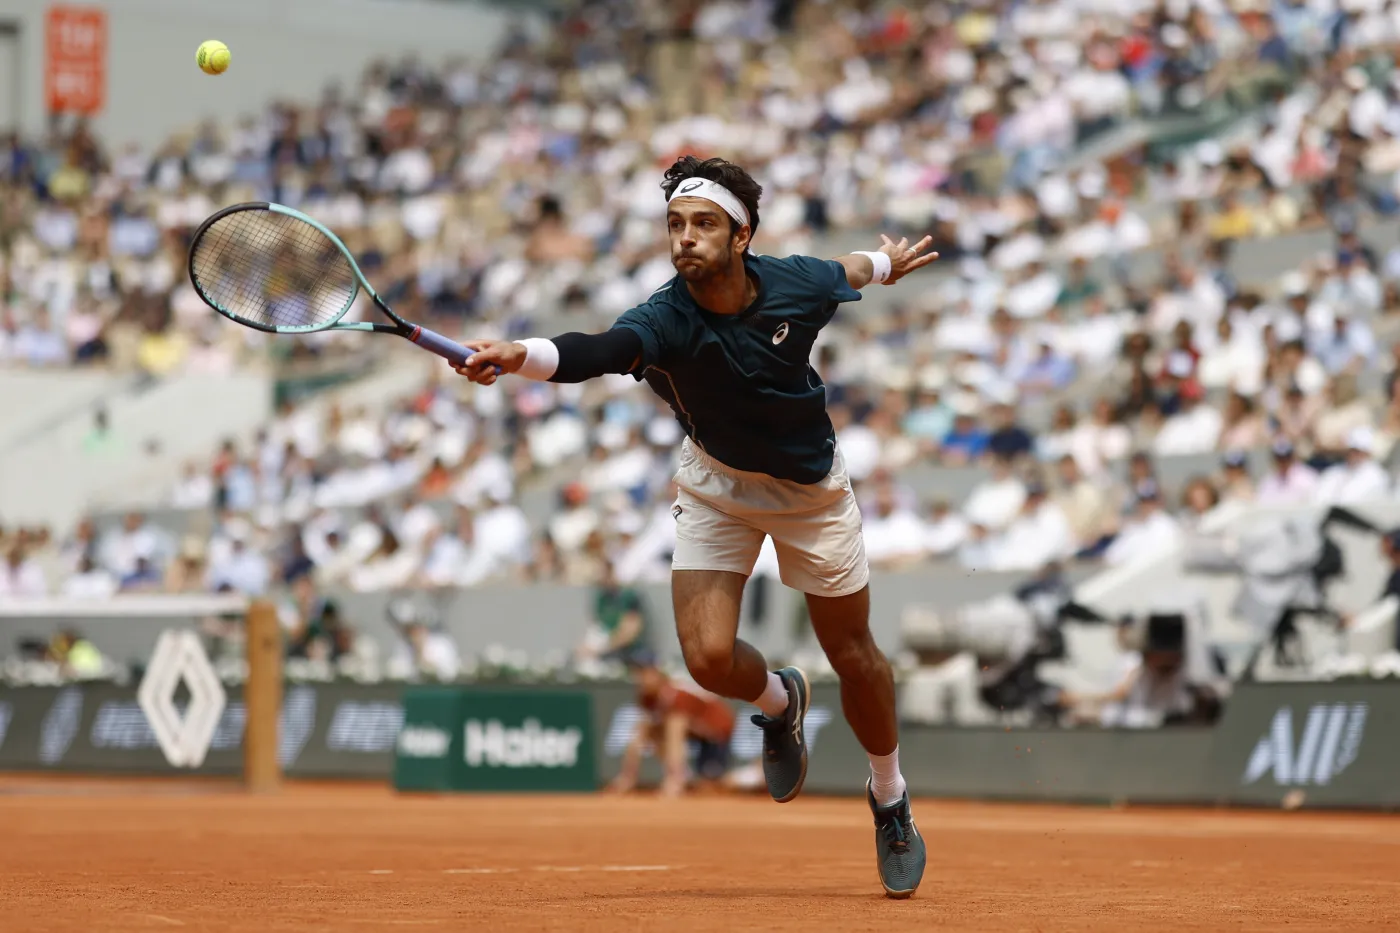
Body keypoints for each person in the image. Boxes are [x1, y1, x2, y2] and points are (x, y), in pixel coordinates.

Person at [454, 155, 934, 897]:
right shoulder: (662, 319)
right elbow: (598, 351)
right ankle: (781, 701)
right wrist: (524, 355)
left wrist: (885, 262)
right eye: (675, 225)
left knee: (855, 652)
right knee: (708, 660)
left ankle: (889, 794)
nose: (685, 238)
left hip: (811, 493)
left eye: (703, 224)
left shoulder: (796, 283)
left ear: (742, 236)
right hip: (716, 485)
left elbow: (849, 269)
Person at [609, 653, 738, 798]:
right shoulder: (647, 696)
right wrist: (627, 777)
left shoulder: (676, 694)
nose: (640, 678)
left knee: (712, 787)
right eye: (637, 672)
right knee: (649, 730)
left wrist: (673, 781)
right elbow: (640, 733)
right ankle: (682, 776)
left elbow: (675, 737)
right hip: (694, 731)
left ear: (657, 673)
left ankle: (680, 778)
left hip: (716, 731)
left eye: (644, 672)